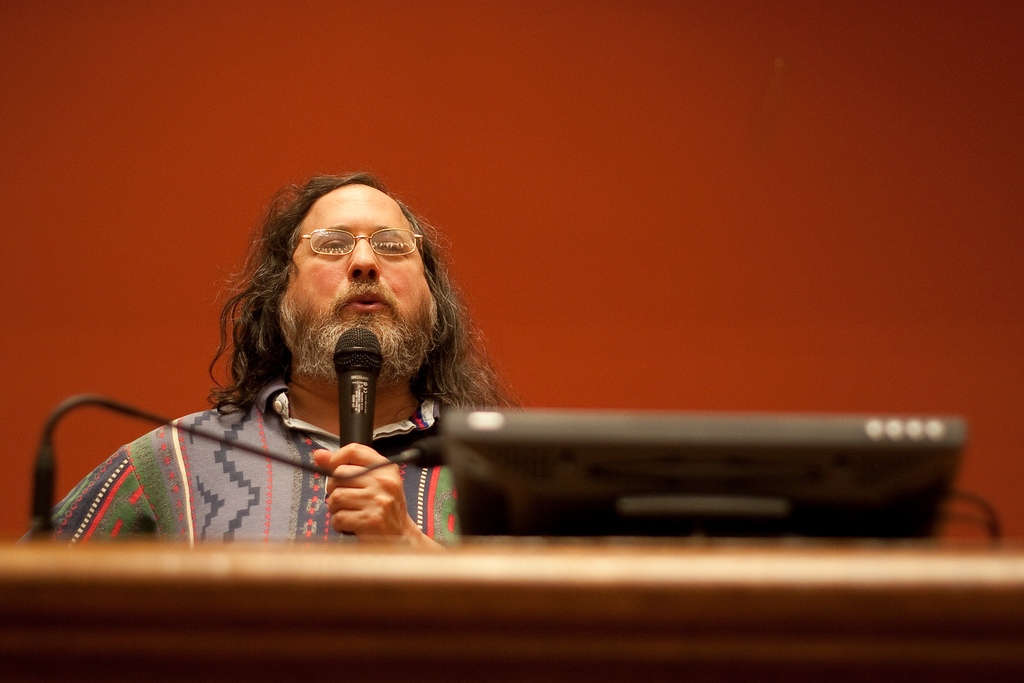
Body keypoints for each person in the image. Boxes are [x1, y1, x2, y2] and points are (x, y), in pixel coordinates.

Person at [48, 173, 511, 546]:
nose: (365, 261)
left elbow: (558, 643)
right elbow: (30, 605)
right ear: (279, 295)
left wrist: (408, 544)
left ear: (433, 298)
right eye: (331, 244)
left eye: (392, 245)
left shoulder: (505, 475)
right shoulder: (174, 465)